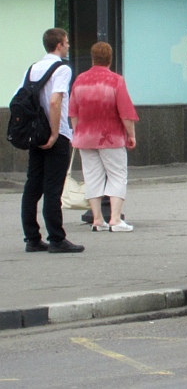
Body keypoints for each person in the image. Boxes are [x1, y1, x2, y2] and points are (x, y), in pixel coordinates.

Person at [20, 28, 83, 253]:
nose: (68, 46)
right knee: (53, 187)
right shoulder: (62, 68)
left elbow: (21, 97)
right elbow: (56, 101)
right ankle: (57, 238)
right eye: (66, 42)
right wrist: (55, 133)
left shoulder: (32, 69)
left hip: (35, 133)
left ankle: (32, 238)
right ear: (58, 45)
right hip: (56, 134)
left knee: (33, 185)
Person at [68, 42, 139, 233]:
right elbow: (126, 113)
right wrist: (131, 135)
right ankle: (115, 219)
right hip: (110, 137)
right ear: (110, 58)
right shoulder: (116, 80)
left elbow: (73, 111)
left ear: (92, 58)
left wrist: (77, 132)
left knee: (92, 177)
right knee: (117, 175)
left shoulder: (80, 80)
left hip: (85, 137)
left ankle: (97, 219)